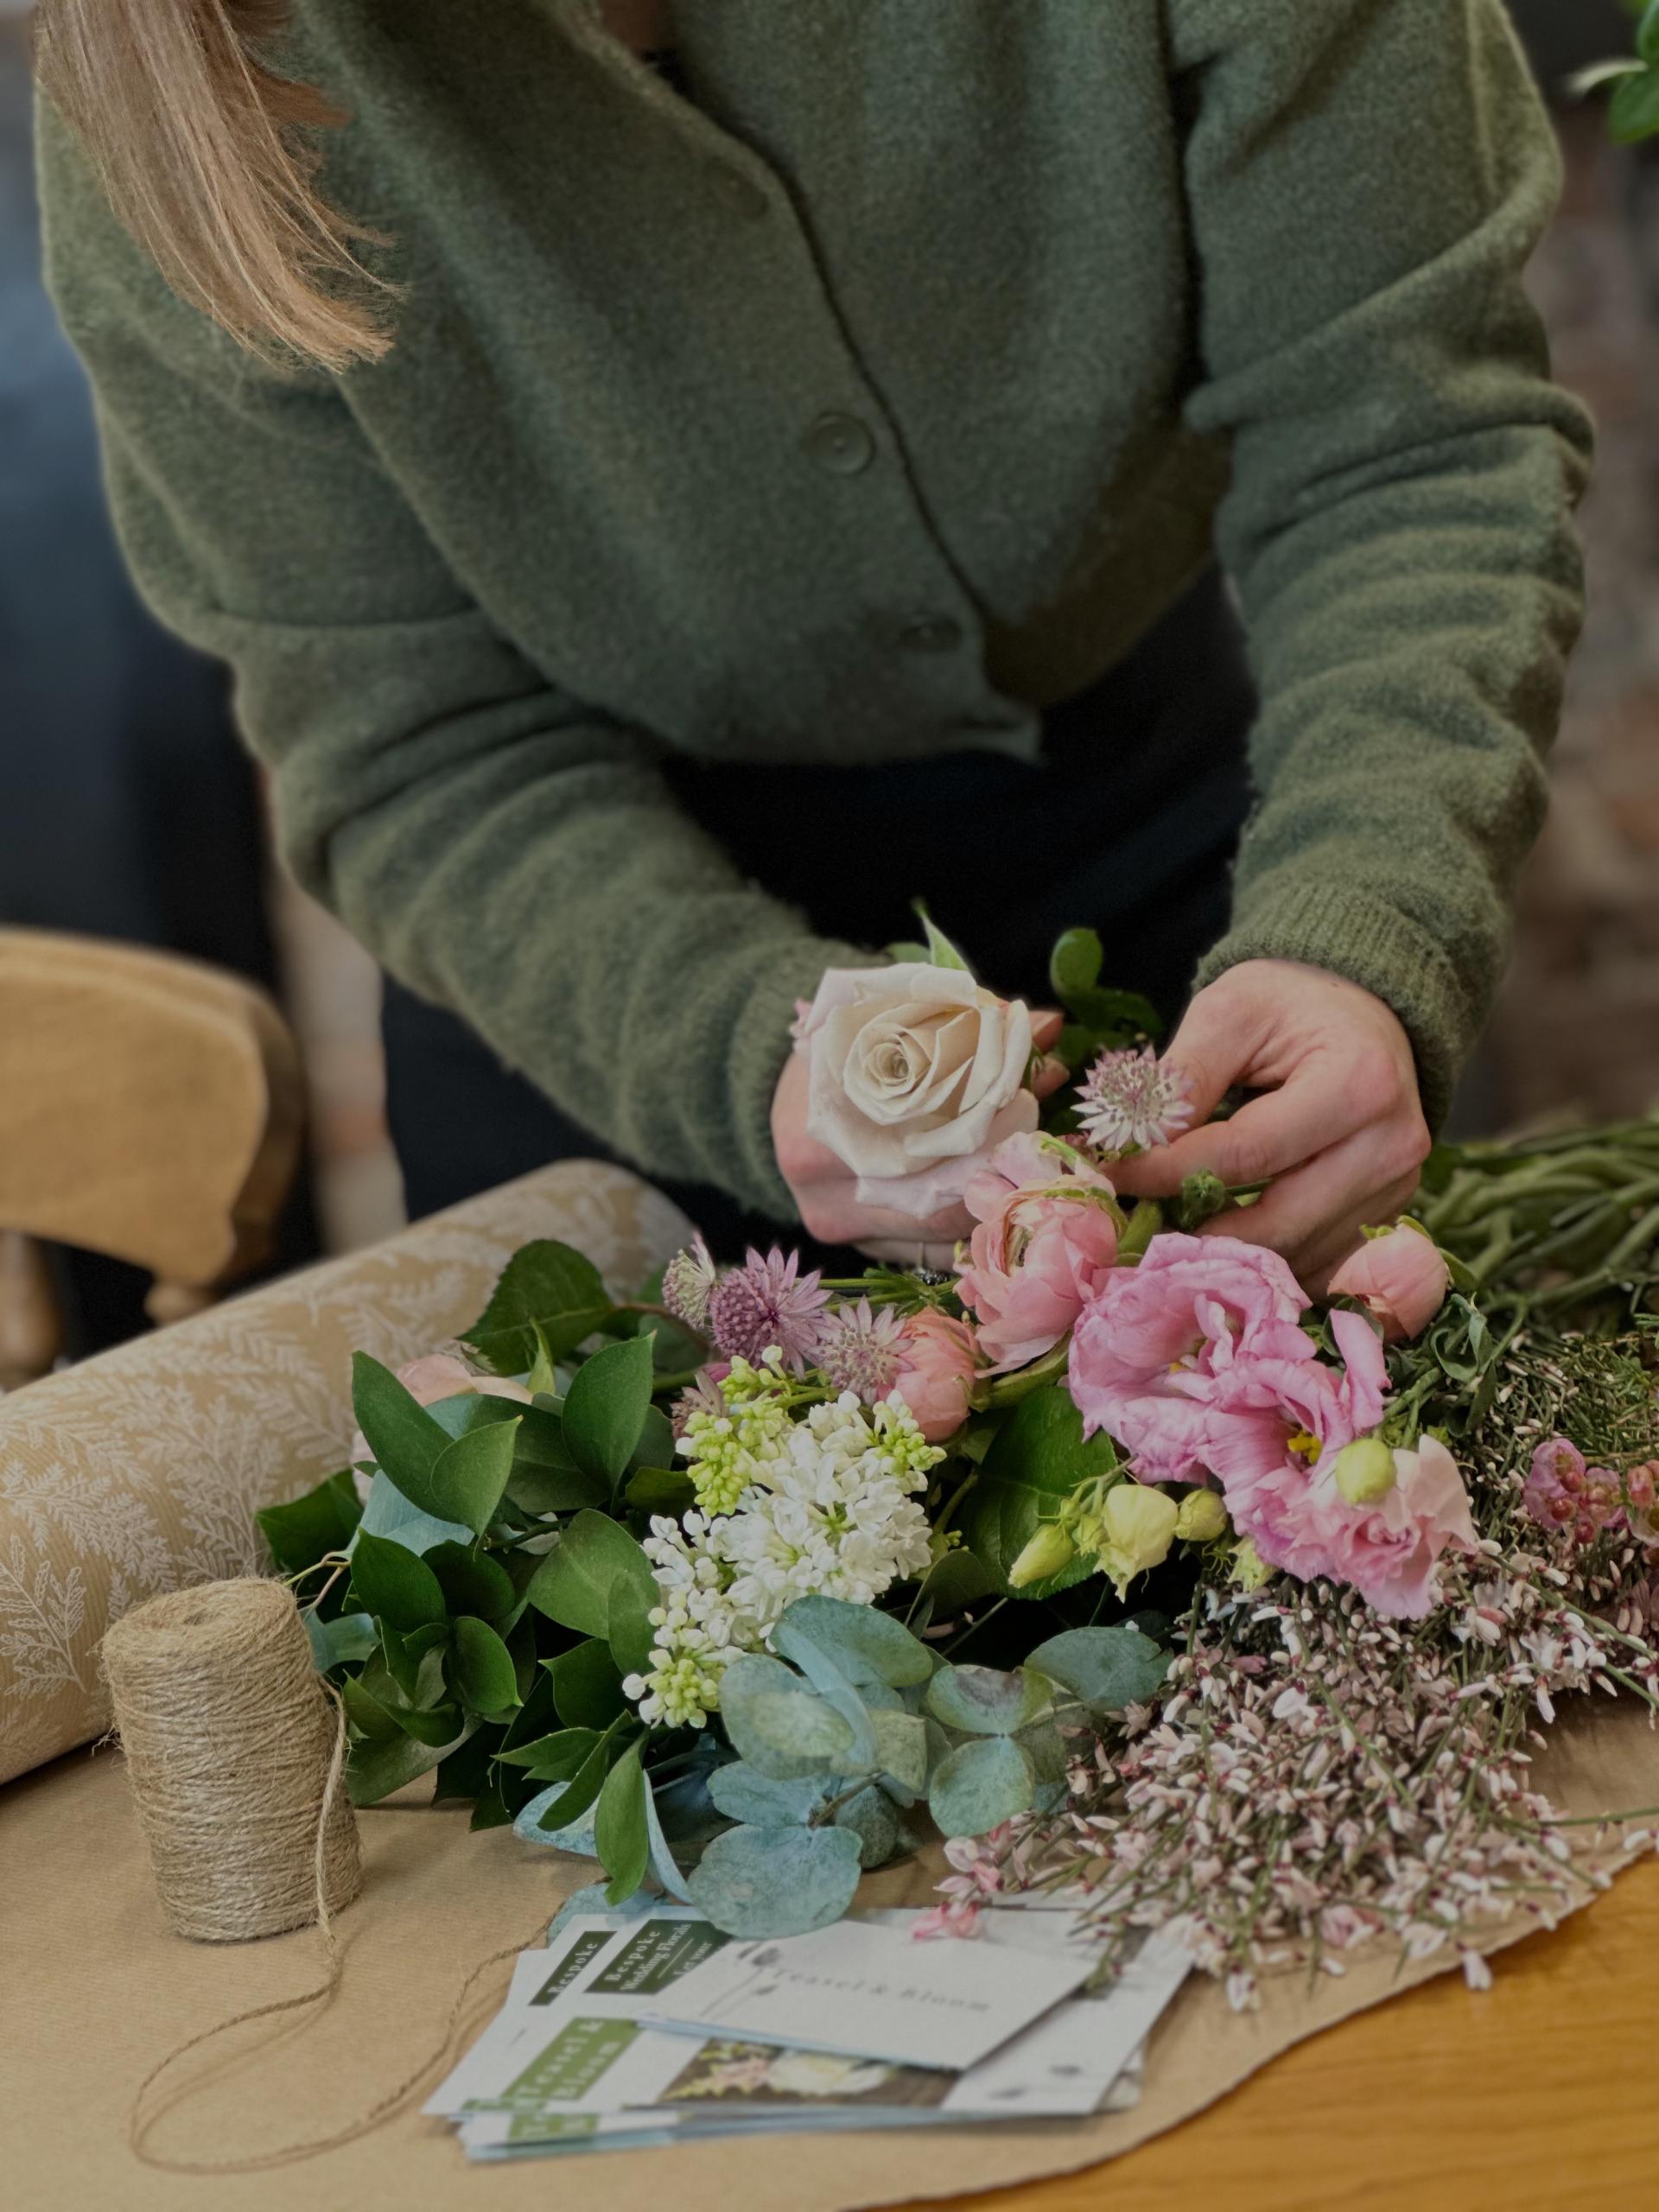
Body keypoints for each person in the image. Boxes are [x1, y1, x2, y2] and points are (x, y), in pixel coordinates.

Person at [31, 0, 1592, 1285]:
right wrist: (733, 1047)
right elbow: (414, 740)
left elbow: (1403, 443)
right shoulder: (183, 92)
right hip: (586, 994)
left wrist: (1364, 914)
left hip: (1187, 861)